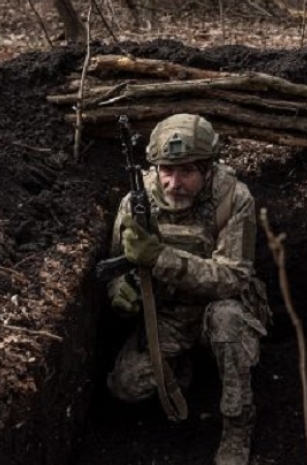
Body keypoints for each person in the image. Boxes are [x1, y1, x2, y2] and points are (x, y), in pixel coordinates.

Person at [105, 114, 271, 465]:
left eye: (186, 172)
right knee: (126, 386)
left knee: (228, 320)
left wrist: (161, 258)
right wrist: (122, 294)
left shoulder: (233, 199)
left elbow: (233, 278)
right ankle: (181, 367)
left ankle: (238, 424)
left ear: (208, 169)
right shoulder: (136, 202)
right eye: (166, 170)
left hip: (221, 310)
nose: (173, 183)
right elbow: (116, 267)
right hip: (169, 314)